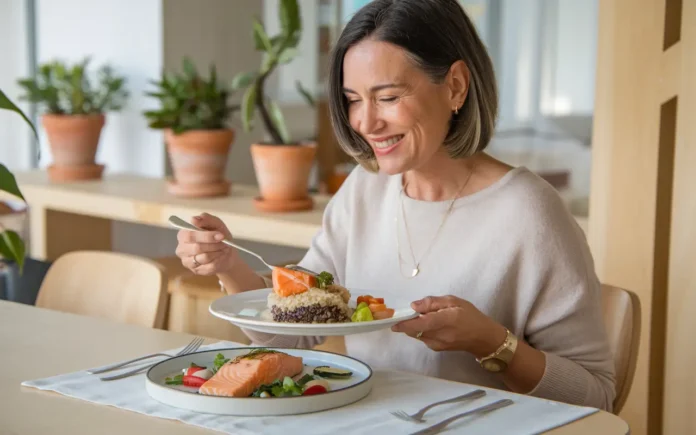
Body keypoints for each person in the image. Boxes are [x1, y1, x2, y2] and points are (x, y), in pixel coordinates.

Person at [175, 0, 616, 411]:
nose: (365, 122)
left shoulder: (529, 213)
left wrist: (490, 342)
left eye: (388, 97)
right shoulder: (364, 190)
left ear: (456, 87)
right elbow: (301, 333)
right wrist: (228, 265)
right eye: (352, 100)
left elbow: (597, 396)